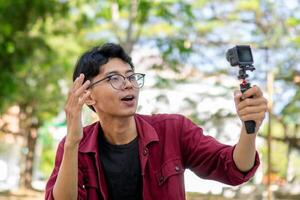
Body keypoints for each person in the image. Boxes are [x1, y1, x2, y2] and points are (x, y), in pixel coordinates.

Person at [45, 43, 268, 200]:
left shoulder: (173, 129)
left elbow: (234, 168)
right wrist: (73, 141)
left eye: (131, 76)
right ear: (88, 95)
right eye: (114, 78)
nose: (128, 84)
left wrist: (249, 129)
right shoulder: (74, 147)